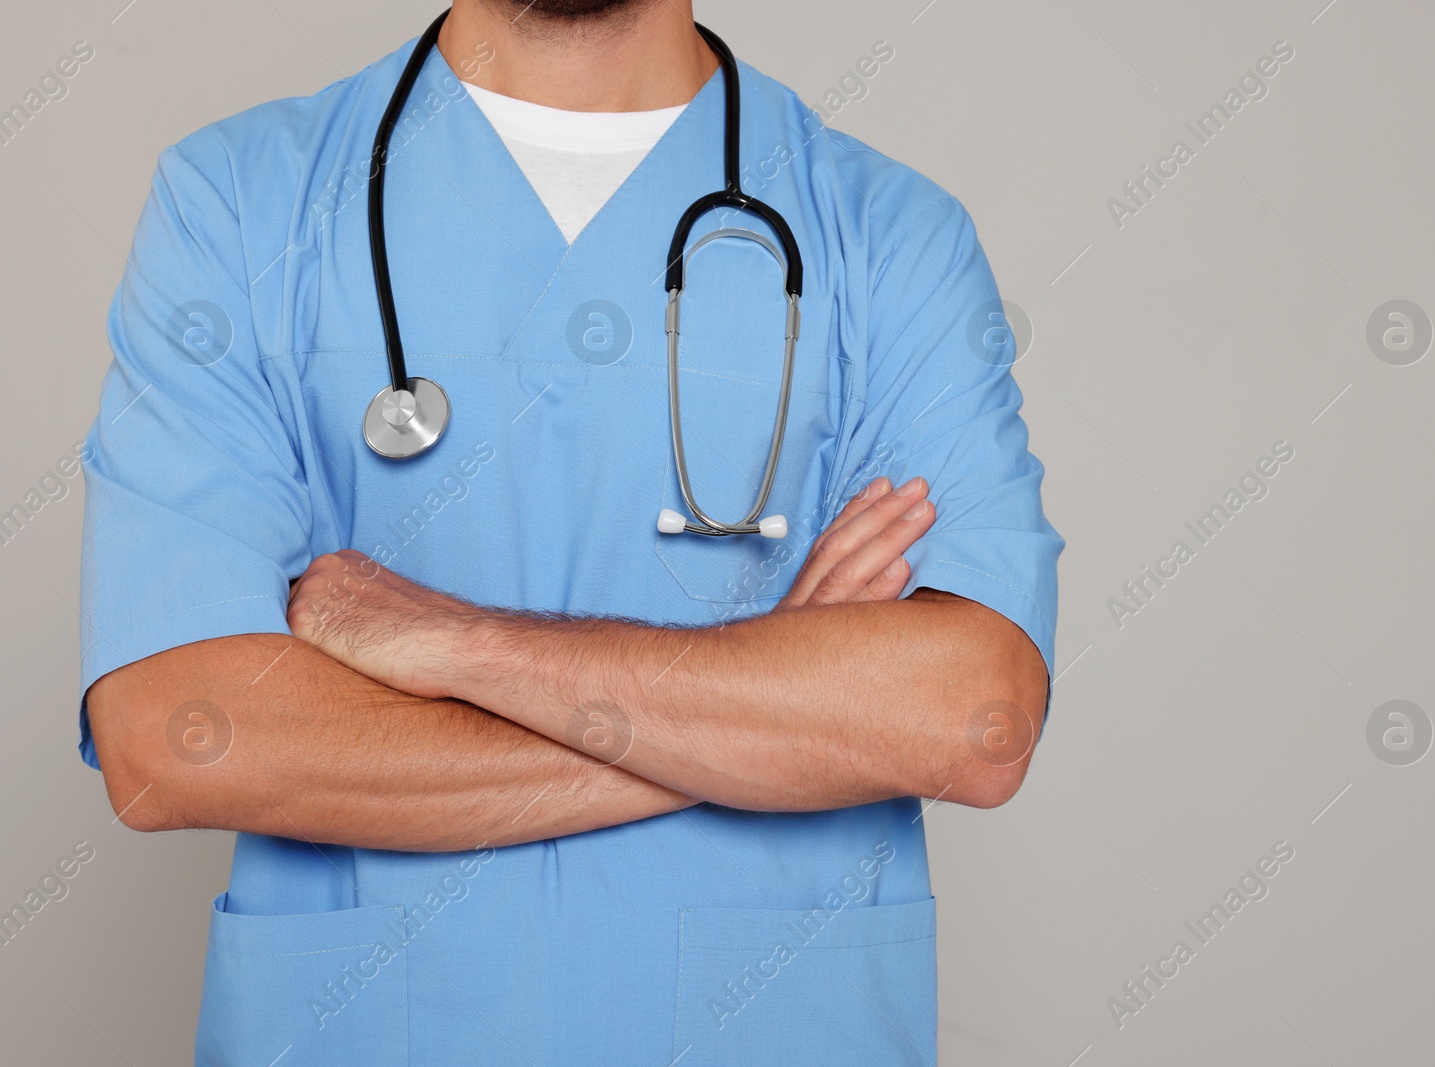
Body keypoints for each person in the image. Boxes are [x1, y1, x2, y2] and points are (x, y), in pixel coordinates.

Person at [77, 1, 1062, 1062]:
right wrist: (767, 716)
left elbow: (973, 720)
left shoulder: (887, 237)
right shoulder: (239, 207)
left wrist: (461, 643)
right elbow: (174, 737)